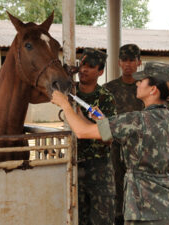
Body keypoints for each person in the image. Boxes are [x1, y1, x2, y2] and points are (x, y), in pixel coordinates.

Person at [51, 62, 169, 225]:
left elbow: (81, 132)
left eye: (142, 81)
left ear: (153, 90)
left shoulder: (137, 120)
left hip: (145, 210)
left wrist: (64, 104)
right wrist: (102, 122)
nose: (137, 83)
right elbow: (121, 136)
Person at [103, 44, 144, 225]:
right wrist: (106, 138)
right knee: (116, 186)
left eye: (132, 60)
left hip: (140, 149)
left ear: (139, 62)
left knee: (140, 186)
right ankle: (119, 219)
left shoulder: (145, 88)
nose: (128, 64)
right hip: (115, 148)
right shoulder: (109, 89)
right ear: (119, 62)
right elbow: (101, 119)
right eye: (124, 60)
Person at [75, 48, 117, 225]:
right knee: (76, 217)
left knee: (102, 218)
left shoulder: (105, 98)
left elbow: (108, 138)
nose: (83, 69)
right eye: (82, 64)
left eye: (90, 66)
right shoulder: (69, 93)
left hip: (99, 166)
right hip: (74, 164)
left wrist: (91, 122)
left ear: (100, 72)